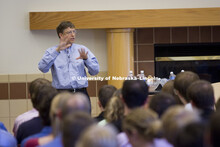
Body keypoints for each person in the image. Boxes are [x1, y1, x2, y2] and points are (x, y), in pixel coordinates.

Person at [38, 21, 100, 109]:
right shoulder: (51, 51)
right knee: (62, 121)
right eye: (69, 32)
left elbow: (95, 71)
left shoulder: (82, 49)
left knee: (84, 121)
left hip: (80, 93)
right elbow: (42, 68)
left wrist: (86, 59)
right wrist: (57, 51)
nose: (73, 35)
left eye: (74, 31)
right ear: (61, 35)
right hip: (61, 95)